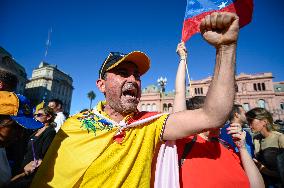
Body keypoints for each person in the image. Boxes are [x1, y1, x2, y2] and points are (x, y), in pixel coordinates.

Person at [32, 12, 240, 187]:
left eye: (137, 75)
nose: (133, 79)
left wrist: (226, 48)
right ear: (101, 85)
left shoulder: (150, 124)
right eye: (123, 72)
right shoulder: (74, 124)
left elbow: (213, 115)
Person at [175, 42, 264, 188]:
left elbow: (258, 186)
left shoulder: (227, 147)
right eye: (214, 108)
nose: (222, 110)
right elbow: (179, 93)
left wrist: (242, 148)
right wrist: (183, 59)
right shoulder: (186, 141)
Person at [0, 91, 43, 187]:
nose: (20, 136)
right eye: (15, 127)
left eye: (22, 129)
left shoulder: (2, 147)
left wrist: (24, 173)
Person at [7, 106, 56, 187]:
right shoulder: (36, 129)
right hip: (23, 165)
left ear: (48, 117)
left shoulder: (50, 132)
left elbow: (45, 153)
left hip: (32, 169)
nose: (35, 117)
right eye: (35, 115)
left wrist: (34, 165)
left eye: (39, 115)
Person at [246, 107, 284, 188]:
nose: (249, 125)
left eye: (251, 121)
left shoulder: (280, 138)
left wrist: (264, 170)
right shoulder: (256, 138)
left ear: (264, 121)